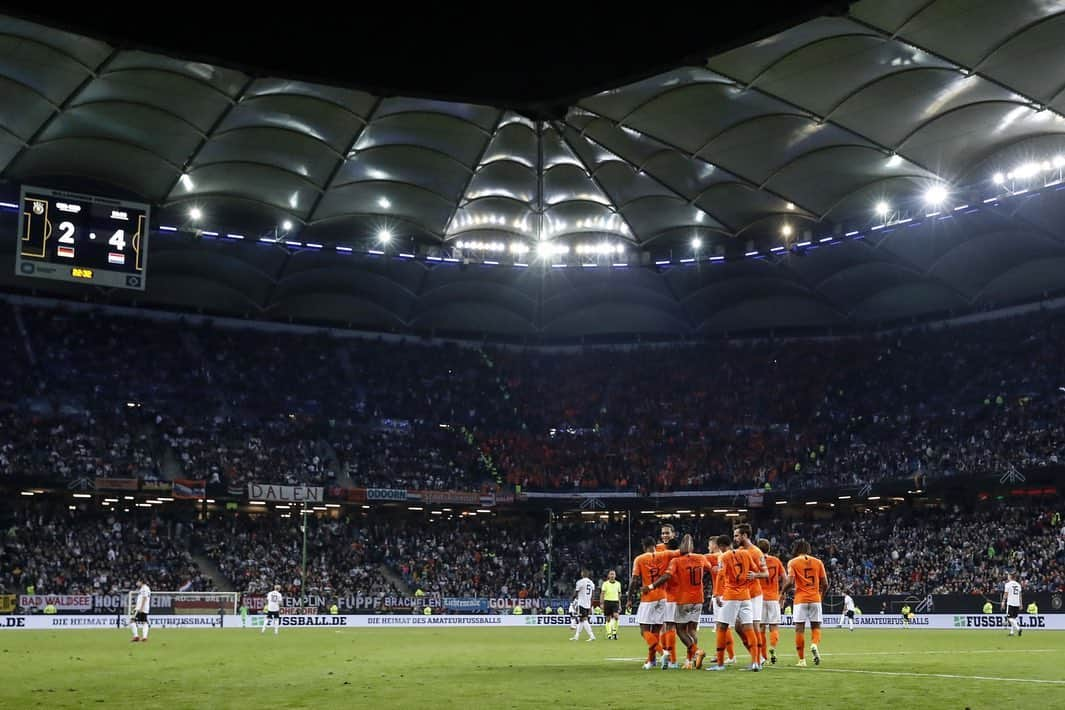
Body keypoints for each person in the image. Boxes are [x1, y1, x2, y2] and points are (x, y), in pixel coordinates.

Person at [646, 534, 713, 669]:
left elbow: (667, 575)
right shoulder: (700, 558)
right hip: (699, 598)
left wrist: (652, 586)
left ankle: (694, 652)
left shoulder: (675, 561)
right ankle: (689, 661)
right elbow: (709, 567)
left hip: (680, 598)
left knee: (678, 629)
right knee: (692, 629)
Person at [706, 535, 760, 672]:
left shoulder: (723, 557)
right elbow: (755, 570)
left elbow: (720, 575)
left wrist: (717, 594)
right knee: (749, 628)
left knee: (721, 627)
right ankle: (756, 662)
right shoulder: (746, 554)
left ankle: (719, 664)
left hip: (730, 595)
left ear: (721, 547)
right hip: (746, 596)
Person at [629, 536, 678, 669]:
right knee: (656, 630)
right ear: (655, 545)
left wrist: (629, 598)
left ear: (644, 547)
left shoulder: (640, 559)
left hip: (648, 598)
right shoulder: (664, 555)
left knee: (644, 630)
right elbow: (680, 552)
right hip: (663, 597)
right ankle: (651, 661)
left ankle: (663, 652)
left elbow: (634, 580)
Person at [783, 539, 827, 667]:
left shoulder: (793, 562)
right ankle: (814, 644)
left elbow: (790, 582)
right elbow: (825, 584)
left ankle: (802, 660)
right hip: (815, 598)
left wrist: (782, 592)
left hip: (800, 599)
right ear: (808, 549)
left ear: (796, 550)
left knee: (799, 629)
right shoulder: (818, 562)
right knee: (816, 626)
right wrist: (821, 596)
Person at [735, 524, 768, 665]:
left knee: (754, 626)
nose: (734, 538)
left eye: (737, 535)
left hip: (754, 594)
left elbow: (766, 573)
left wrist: (755, 575)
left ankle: (758, 658)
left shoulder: (756, 552)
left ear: (745, 535)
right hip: (742, 594)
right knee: (738, 626)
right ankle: (756, 655)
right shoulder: (738, 551)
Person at [757, 538, 786, 663]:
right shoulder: (776, 561)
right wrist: (782, 594)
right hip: (774, 598)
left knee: (761, 628)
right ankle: (772, 647)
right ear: (769, 549)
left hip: (760, 598)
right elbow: (786, 578)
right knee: (774, 626)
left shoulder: (756, 561)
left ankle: (763, 656)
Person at [656, 523, 680, 668]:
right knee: (663, 626)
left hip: (673, 591)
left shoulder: (677, 550)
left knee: (670, 625)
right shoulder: (658, 549)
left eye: (667, 533)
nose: (665, 535)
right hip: (659, 592)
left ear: (673, 534)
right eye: (663, 533)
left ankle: (672, 659)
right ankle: (666, 656)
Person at [570, 569, 596, 641]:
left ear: (582, 574)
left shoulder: (580, 582)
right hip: (588, 603)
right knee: (581, 620)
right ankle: (576, 636)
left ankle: (592, 635)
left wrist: (572, 598)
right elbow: (593, 595)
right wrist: (591, 604)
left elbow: (576, 592)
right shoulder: (591, 583)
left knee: (584, 619)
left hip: (581, 603)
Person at [600, 570, 622, 640]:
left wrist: (620, 604)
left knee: (616, 616)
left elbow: (619, 595)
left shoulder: (618, 584)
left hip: (615, 602)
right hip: (607, 601)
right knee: (608, 618)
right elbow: (602, 594)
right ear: (608, 576)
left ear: (615, 576)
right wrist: (601, 603)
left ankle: (614, 633)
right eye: (611, 574)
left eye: (613, 574)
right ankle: (609, 634)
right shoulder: (605, 584)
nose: (612, 576)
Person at [1001, 572, 1023, 637]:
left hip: (1010, 603)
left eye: (1008, 576)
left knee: (1009, 618)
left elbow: (1005, 594)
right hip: (1017, 603)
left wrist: (1003, 602)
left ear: (1010, 577)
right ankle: (1012, 632)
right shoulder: (1018, 585)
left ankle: (1018, 628)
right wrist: (1021, 604)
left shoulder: (1007, 584)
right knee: (1013, 618)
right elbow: (1020, 595)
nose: (1007, 577)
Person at [130, 578, 151, 643]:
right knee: (144, 622)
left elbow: (145, 598)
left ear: (141, 582)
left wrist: (141, 608)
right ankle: (144, 637)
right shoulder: (144, 588)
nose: (137, 583)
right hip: (143, 608)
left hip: (141, 608)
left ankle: (136, 636)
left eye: (138, 581)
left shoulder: (145, 588)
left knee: (132, 620)